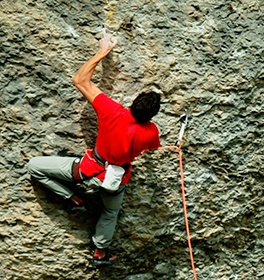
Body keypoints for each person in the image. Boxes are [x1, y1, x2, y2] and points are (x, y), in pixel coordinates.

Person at [27, 32, 162, 266]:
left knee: (34, 167)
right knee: (110, 213)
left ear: (134, 102)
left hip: (87, 170)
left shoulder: (113, 111)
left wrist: (103, 51)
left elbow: (80, 80)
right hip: (115, 181)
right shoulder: (151, 132)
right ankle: (100, 253)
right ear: (151, 117)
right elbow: (152, 148)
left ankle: (72, 198)